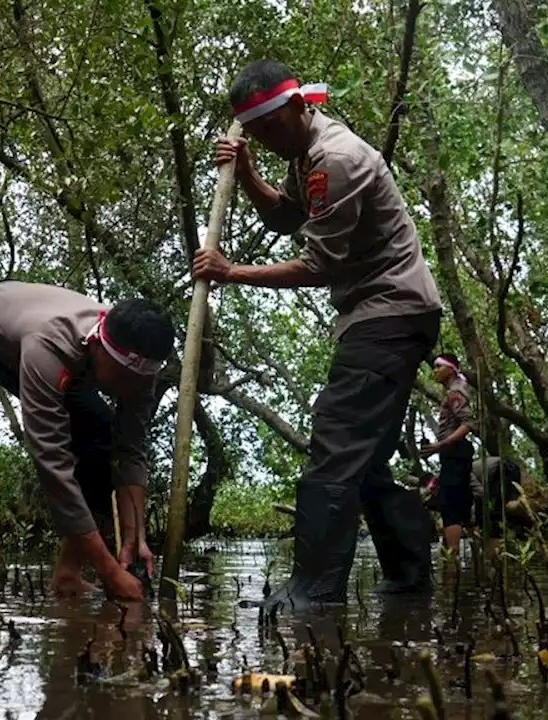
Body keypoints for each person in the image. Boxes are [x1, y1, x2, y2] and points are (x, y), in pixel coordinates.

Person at [192, 59, 443, 608]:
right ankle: (409, 578)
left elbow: (320, 264)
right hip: (389, 313)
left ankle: (314, 590)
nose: (261, 138)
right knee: (365, 458)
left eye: (265, 129)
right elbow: (286, 217)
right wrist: (251, 171)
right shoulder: (303, 150)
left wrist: (231, 272)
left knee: (335, 443)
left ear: (292, 109)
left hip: (388, 313)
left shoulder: (337, 158)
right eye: (251, 133)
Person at [0, 280, 173, 606]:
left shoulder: (141, 372)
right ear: (97, 345)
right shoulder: (49, 345)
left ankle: (68, 574)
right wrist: (108, 570)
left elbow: (130, 449)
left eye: (138, 383)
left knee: (101, 436)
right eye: (120, 380)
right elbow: (52, 462)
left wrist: (136, 537)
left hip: (29, 346)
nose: (128, 391)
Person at [420, 353, 477, 557]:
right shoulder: (455, 391)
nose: (434, 371)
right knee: (460, 500)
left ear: (450, 369)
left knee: (450, 505)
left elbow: (468, 423)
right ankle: (474, 554)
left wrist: (441, 445)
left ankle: (452, 558)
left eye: (438, 366)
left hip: (454, 453)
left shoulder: (455, 393)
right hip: (455, 453)